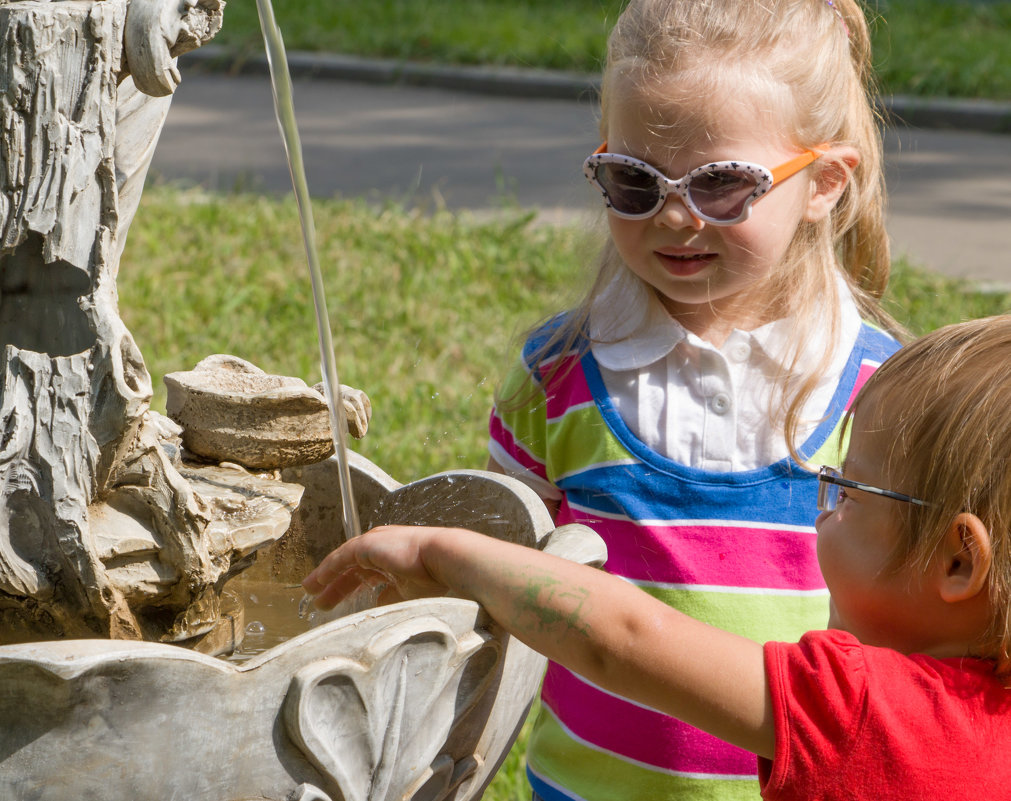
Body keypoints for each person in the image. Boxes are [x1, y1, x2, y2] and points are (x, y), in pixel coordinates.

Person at [304, 315, 1011, 800]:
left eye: (846, 490)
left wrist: (443, 548)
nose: (823, 508)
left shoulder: (861, 706)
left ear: (957, 560)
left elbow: (620, 638)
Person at [484, 0, 901, 798]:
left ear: (821, 182)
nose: (674, 214)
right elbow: (515, 583)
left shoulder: (880, 396)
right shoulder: (556, 380)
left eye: (721, 185)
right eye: (632, 181)